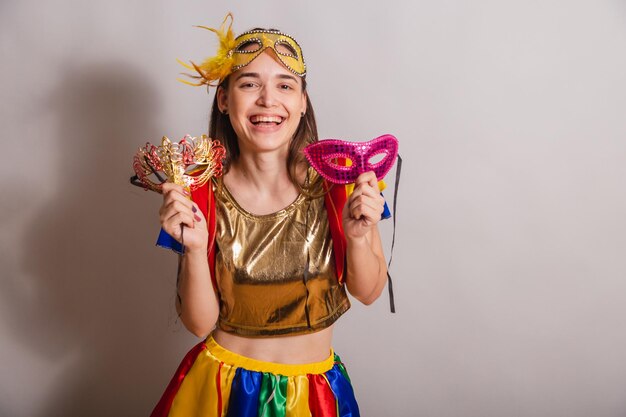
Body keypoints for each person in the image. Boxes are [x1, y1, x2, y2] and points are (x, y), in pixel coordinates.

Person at [151, 14, 389, 416]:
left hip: (314, 396)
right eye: (249, 84)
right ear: (224, 99)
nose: (267, 100)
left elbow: (368, 292)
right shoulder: (199, 196)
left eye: (284, 85)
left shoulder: (340, 184)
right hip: (225, 392)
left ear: (302, 102)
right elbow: (198, 323)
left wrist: (360, 236)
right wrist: (193, 250)